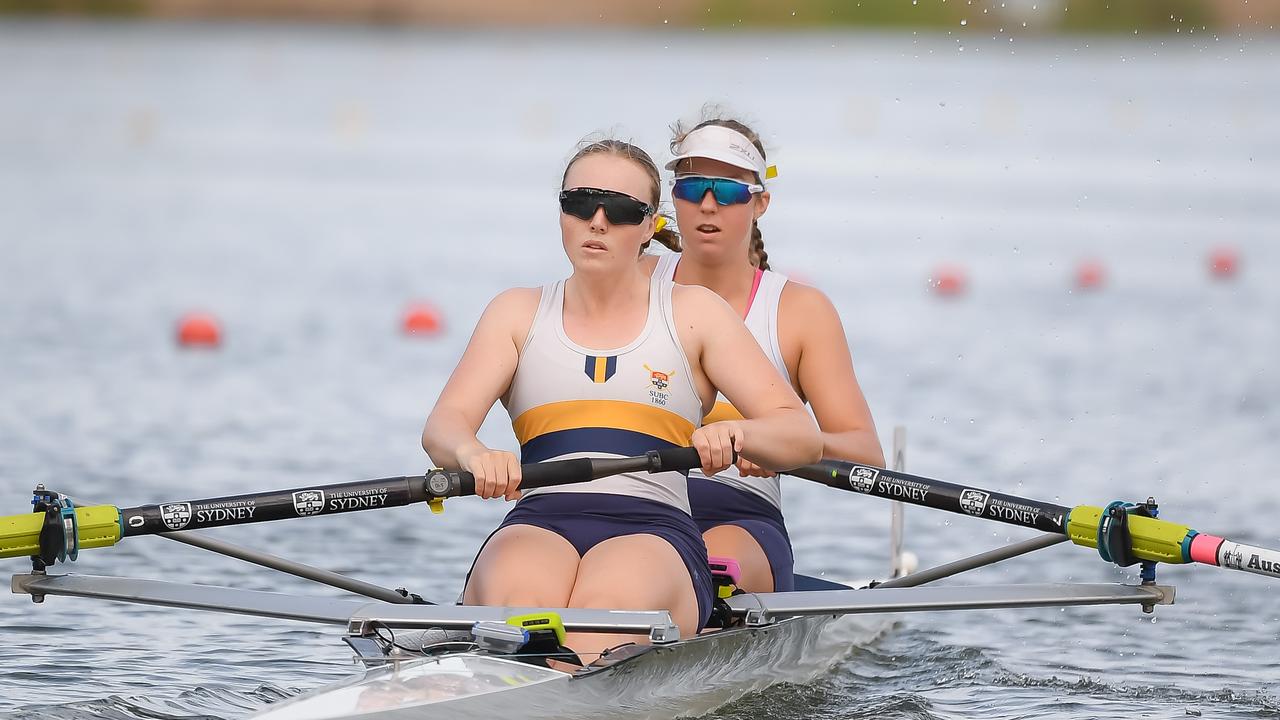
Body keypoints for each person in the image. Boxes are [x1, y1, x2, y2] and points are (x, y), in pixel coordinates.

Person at [420, 137, 822, 665]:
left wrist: (740, 434)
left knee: (600, 621)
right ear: (562, 211)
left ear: (651, 226)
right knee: (516, 604)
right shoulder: (515, 313)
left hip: (653, 526)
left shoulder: (693, 313)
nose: (598, 222)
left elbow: (802, 436)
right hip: (538, 517)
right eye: (581, 204)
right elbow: (444, 426)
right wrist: (473, 455)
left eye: (622, 211)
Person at [641, 116, 884, 594]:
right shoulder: (632, 281)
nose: (708, 204)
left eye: (728, 190)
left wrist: (768, 443)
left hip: (736, 513)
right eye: (692, 188)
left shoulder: (799, 312)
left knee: (692, 573)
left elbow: (865, 454)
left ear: (760, 203)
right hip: (631, 502)